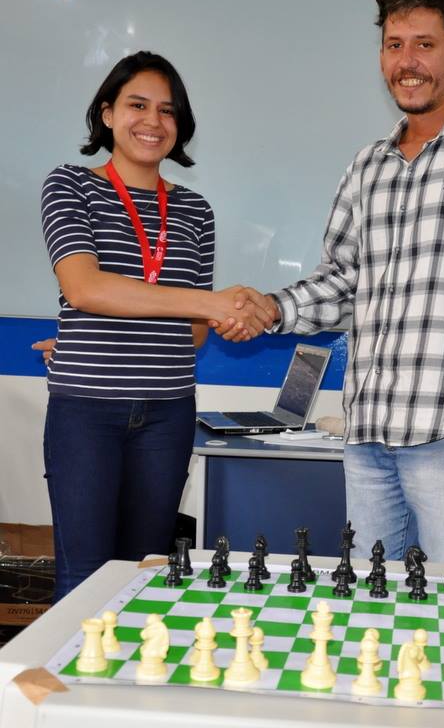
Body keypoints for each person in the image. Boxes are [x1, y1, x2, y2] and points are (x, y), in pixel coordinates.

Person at [212, 0, 444, 572]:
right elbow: (344, 282)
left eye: (424, 44)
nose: (406, 61)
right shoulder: (367, 165)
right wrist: (272, 308)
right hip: (366, 434)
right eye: (394, 45)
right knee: (368, 595)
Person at [38, 51, 274, 600]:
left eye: (167, 111)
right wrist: (211, 303)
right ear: (107, 114)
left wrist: (215, 313)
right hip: (87, 412)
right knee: (84, 578)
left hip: (168, 414)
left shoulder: (195, 210)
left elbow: (193, 332)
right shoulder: (70, 186)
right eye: (137, 105)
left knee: (145, 574)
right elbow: (84, 287)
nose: (153, 121)